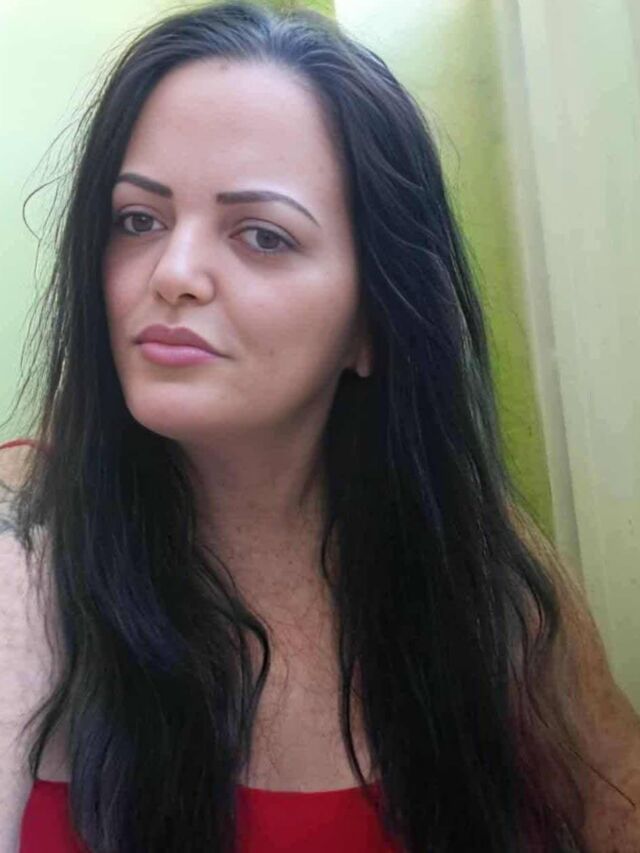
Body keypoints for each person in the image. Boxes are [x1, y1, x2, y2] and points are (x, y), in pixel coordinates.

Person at [0, 2, 638, 851]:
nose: (174, 272)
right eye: (138, 220)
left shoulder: (483, 571)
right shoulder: (25, 542)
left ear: (371, 322)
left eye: (262, 236)